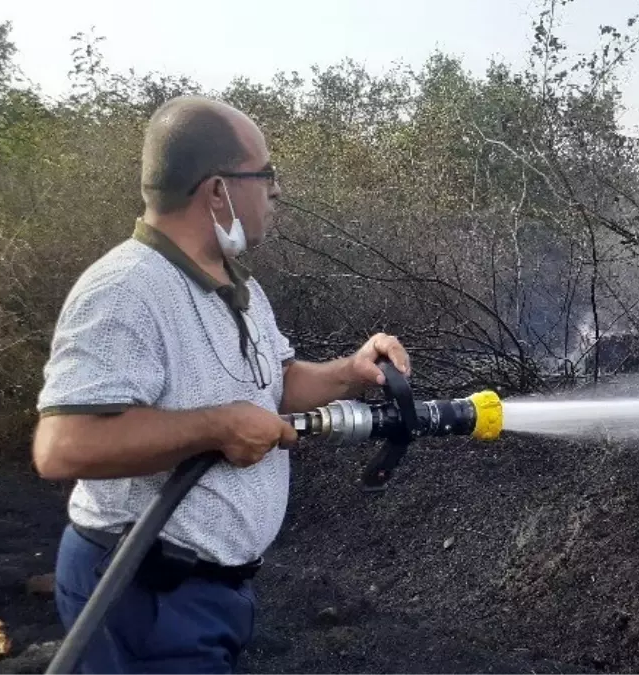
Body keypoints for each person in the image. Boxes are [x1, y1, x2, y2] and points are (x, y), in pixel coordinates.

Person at [30, 95, 409, 673]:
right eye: (265, 174)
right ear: (217, 191)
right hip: (141, 594)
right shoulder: (126, 289)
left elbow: (274, 386)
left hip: (206, 593)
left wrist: (348, 373)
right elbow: (64, 447)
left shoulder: (239, 287)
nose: (276, 191)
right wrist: (216, 426)